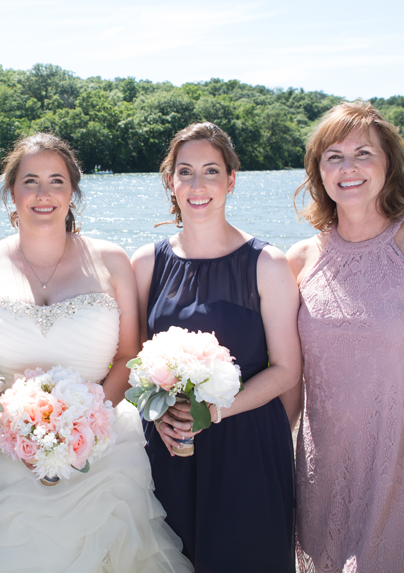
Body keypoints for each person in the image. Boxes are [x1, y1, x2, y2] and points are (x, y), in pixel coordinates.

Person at [0, 133, 192, 573]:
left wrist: (85, 425)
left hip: (101, 455)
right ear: (10, 191)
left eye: (56, 181)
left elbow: (128, 356)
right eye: (30, 181)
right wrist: (24, 431)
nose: (43, 194)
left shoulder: (112, 261)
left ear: (73, 191)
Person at [285, 101, 404, 572]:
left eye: (363, 153)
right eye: (333, 156)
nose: (348, 168)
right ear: (318, 171)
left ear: (389, 164)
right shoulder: (299, 260)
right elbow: (290, 384)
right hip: (322, 478)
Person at [131, 122, 302, 572]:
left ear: (230, 180)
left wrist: (220, 411)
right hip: (169, 443)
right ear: (170, 181)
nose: (197, 184)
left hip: (247, 445)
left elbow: (287, 369)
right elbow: (131, 365)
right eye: (185, 172)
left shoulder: (266, 263)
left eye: (211, 171)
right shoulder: (146, 263)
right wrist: (159, 413)